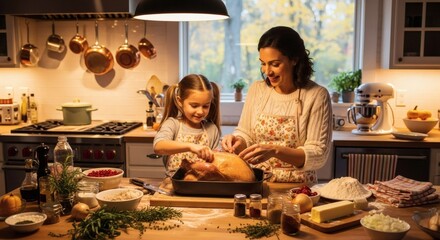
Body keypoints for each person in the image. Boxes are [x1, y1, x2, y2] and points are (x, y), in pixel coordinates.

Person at [221, 26, 332, 184]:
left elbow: (318, 154)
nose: (267, 71)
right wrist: (237, 141)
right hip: (257, 182)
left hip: (299, 188)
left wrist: (274, 150)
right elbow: (246, 133)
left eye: (275, 64)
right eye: (263, 64)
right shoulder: (257, 90)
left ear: (294, 59)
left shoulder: (316, 95)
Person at [153, 74, 221, 172]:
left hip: (203, 185)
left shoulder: (211, 129)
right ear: (180, 101)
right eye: (194, 106)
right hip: (174, 185)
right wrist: (190, 146)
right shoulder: (173, 124)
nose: (200, 111)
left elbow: (216, 162)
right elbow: (158, 146)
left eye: (206, 106)